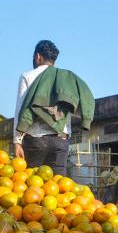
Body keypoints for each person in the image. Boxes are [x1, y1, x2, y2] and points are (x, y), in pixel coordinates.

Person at [13, 40, 95, 175]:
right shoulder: (68, 78)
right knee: (58, 189)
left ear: (37, 56)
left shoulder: (27, 76)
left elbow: (20, 110)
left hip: (35, 140)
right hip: (60, 140)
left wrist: (17, 142)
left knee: (33, 188)